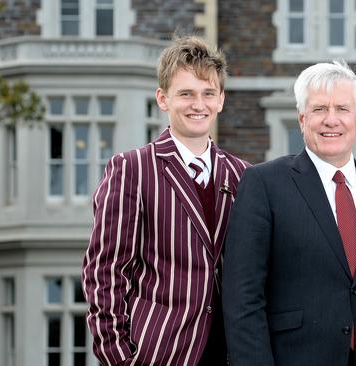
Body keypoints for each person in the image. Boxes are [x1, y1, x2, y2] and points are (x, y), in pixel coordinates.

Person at [222, 60, 356, 366]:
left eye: (342, 109)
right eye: (320, 109)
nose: (331, 120)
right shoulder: (263, 184)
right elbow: (242, 297)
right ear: (302, 118)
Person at [82, 35, 249, 365]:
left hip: (232, 353)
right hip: (161, 352)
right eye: (185, 93)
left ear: (220, 100)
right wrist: (119, 358)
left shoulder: (244, 174)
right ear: (163, 98)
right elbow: (105, 273)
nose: (197, 104)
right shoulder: (132, 169)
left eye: (207, 94)